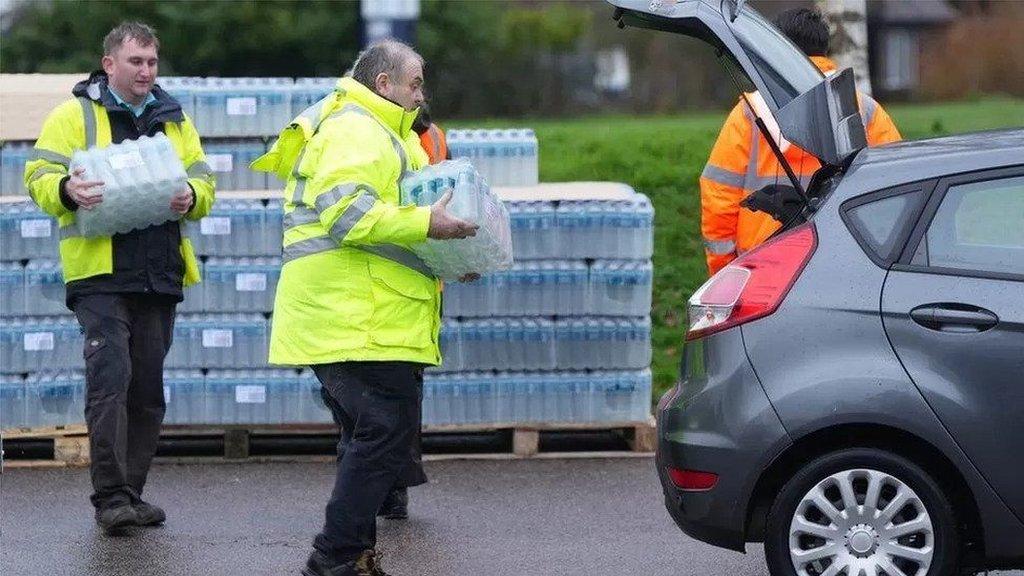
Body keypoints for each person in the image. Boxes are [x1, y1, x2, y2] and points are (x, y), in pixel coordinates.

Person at [262, 39, 477, 576]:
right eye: (416, 82)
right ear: (385, 84)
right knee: (382, 434)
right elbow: (348, 214)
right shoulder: (358, 128)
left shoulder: (382, 133)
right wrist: (431, 224)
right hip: (355, 316)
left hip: (365, 313)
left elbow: (388, 224)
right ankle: (333, 558)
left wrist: (447, 255)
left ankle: (352, 556)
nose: (421, 92)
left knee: (373, 438)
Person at [23, 21, 215, 534]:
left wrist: (192, 197)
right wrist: (66, 190)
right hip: (100, 274)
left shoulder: (173, 118)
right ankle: (110, 498)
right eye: (136, 62)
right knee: (111, 381)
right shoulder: (74, 115)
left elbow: (204, 179)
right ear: (110, 64)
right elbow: (37, 175)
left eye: (152, 63)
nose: (146, 72)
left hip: (158, 272)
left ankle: (132, 492)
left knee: (148, 391)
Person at [700, 7, 901, 276]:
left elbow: (719, 197)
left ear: (776, 49)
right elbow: (897, 191)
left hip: (762, 267)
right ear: (825, 50)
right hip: (844, 262)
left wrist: (724, 272)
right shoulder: (865, 110)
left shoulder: (750, 111)